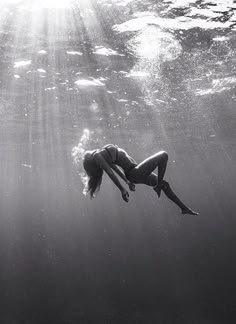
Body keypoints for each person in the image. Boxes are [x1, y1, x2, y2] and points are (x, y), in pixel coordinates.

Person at [82, 144, 198, 215]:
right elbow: (110, 172)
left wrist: (127, 182)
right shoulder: (96, 155)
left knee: (164, 184)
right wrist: (122, 189)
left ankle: (184, 208)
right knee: (163, 155)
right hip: (134, 173)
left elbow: (114, 167)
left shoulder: (100, 153)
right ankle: (157, 187)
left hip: (133, 173)